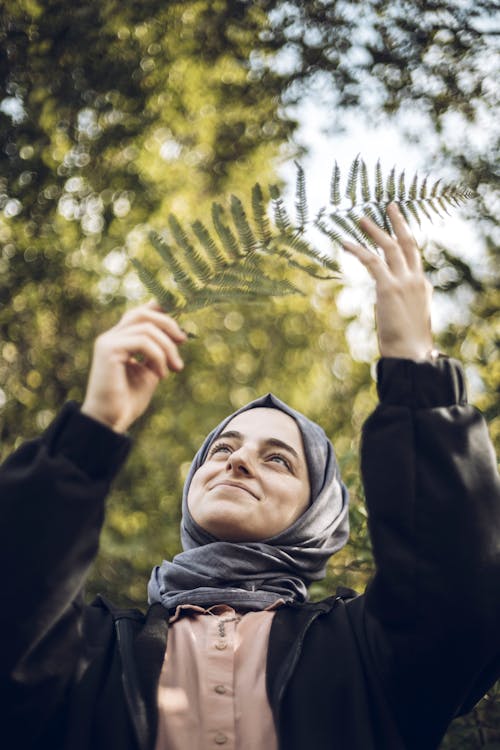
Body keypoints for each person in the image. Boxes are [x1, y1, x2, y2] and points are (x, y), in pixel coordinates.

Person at [1, 204, 499, 750]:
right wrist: (93, 429)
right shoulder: (89, 652)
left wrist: (415, 369)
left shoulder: (367, 653)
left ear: (319, 517)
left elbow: (461, 587)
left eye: (278, 459)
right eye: (223, 448)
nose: (237, 462)